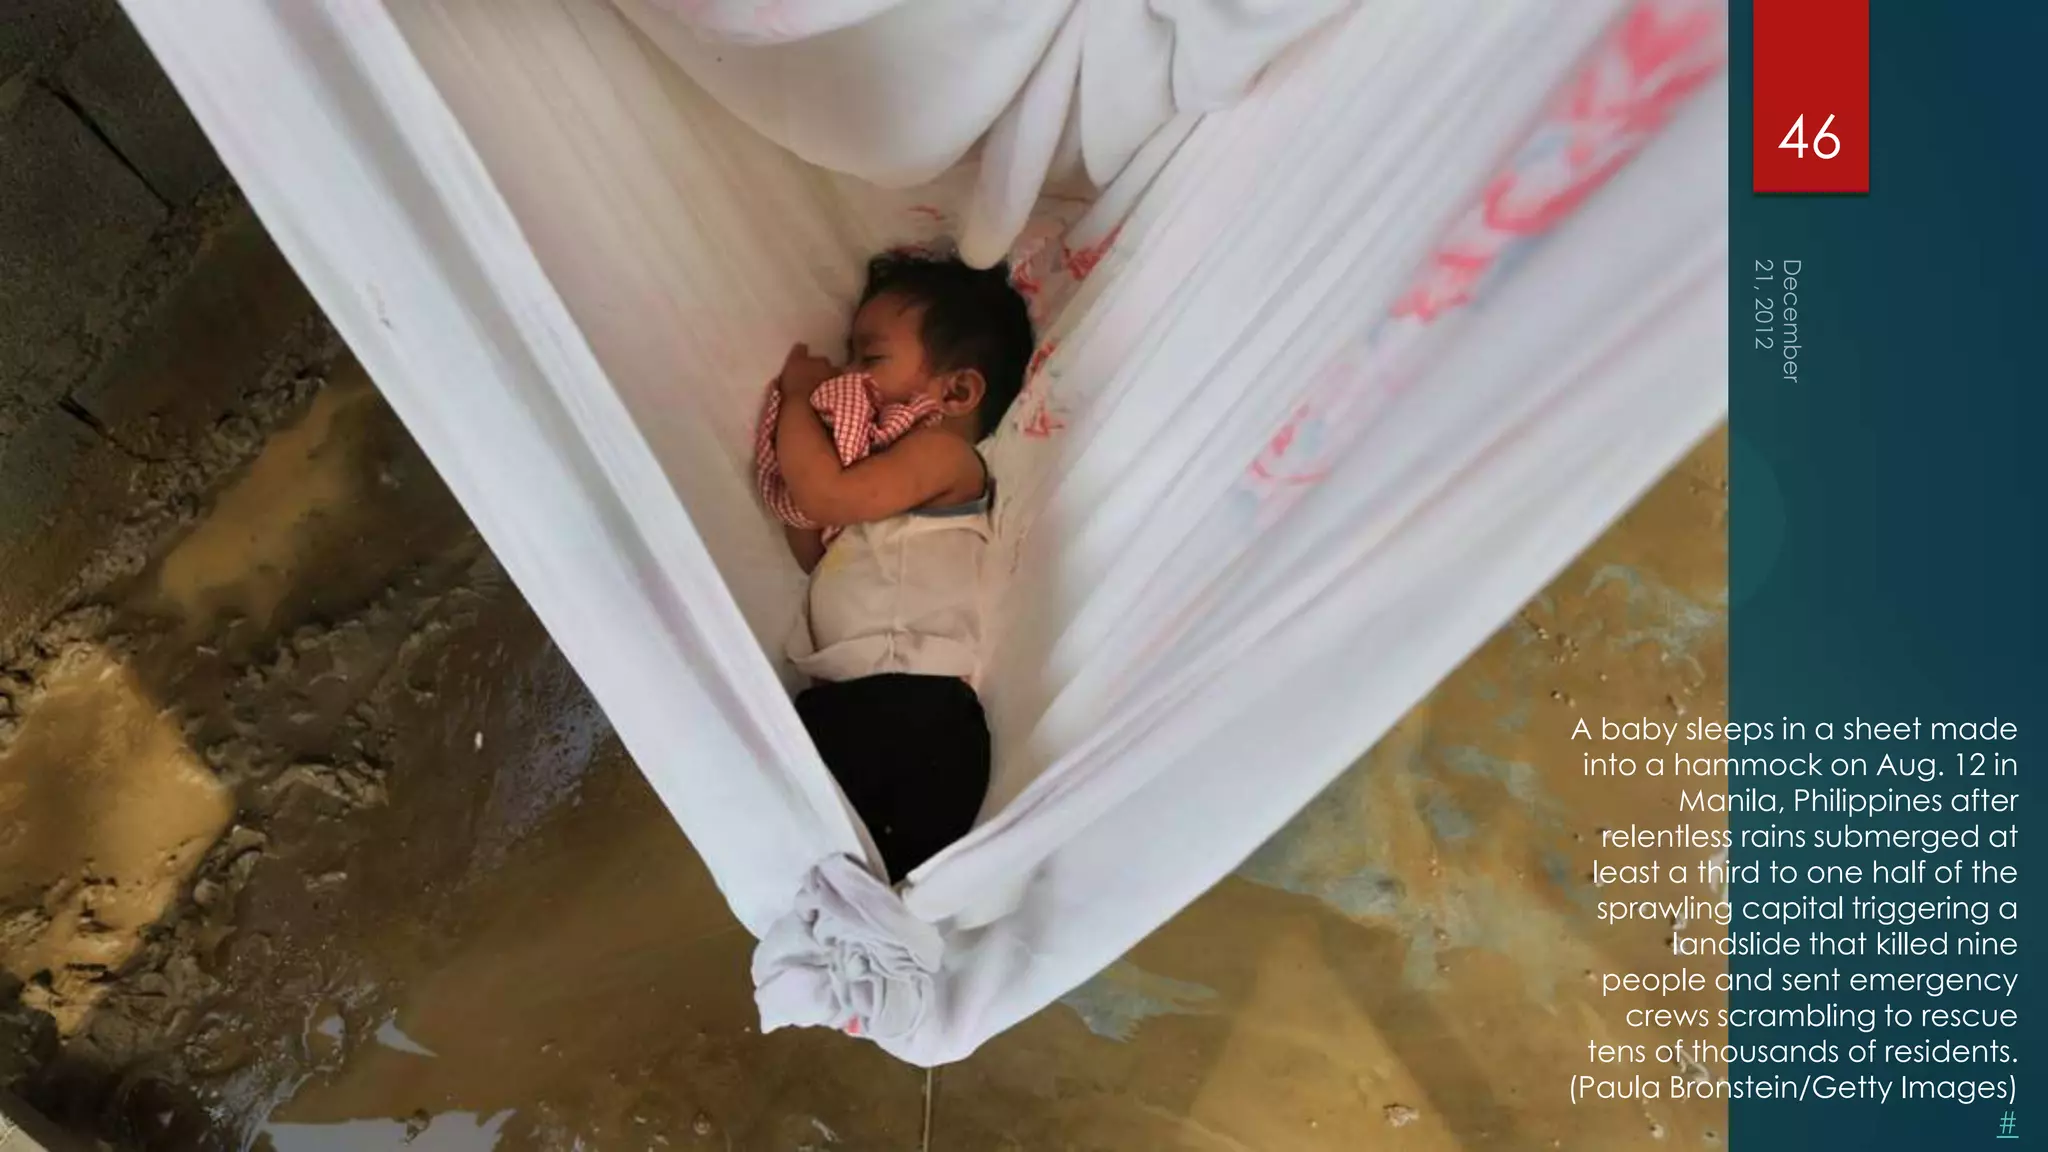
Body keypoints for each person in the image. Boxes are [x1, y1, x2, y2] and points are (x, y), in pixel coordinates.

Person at [769, 250, 1034, 883]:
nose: (851, 376)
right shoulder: (881, 491)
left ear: (958, 391)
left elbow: (823, 497)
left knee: (857, 875)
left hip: (917, 716)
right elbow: (813, 540)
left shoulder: (945, 457)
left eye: (871, 358)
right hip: (856, 703)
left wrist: (800, 402)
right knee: (835, 876)